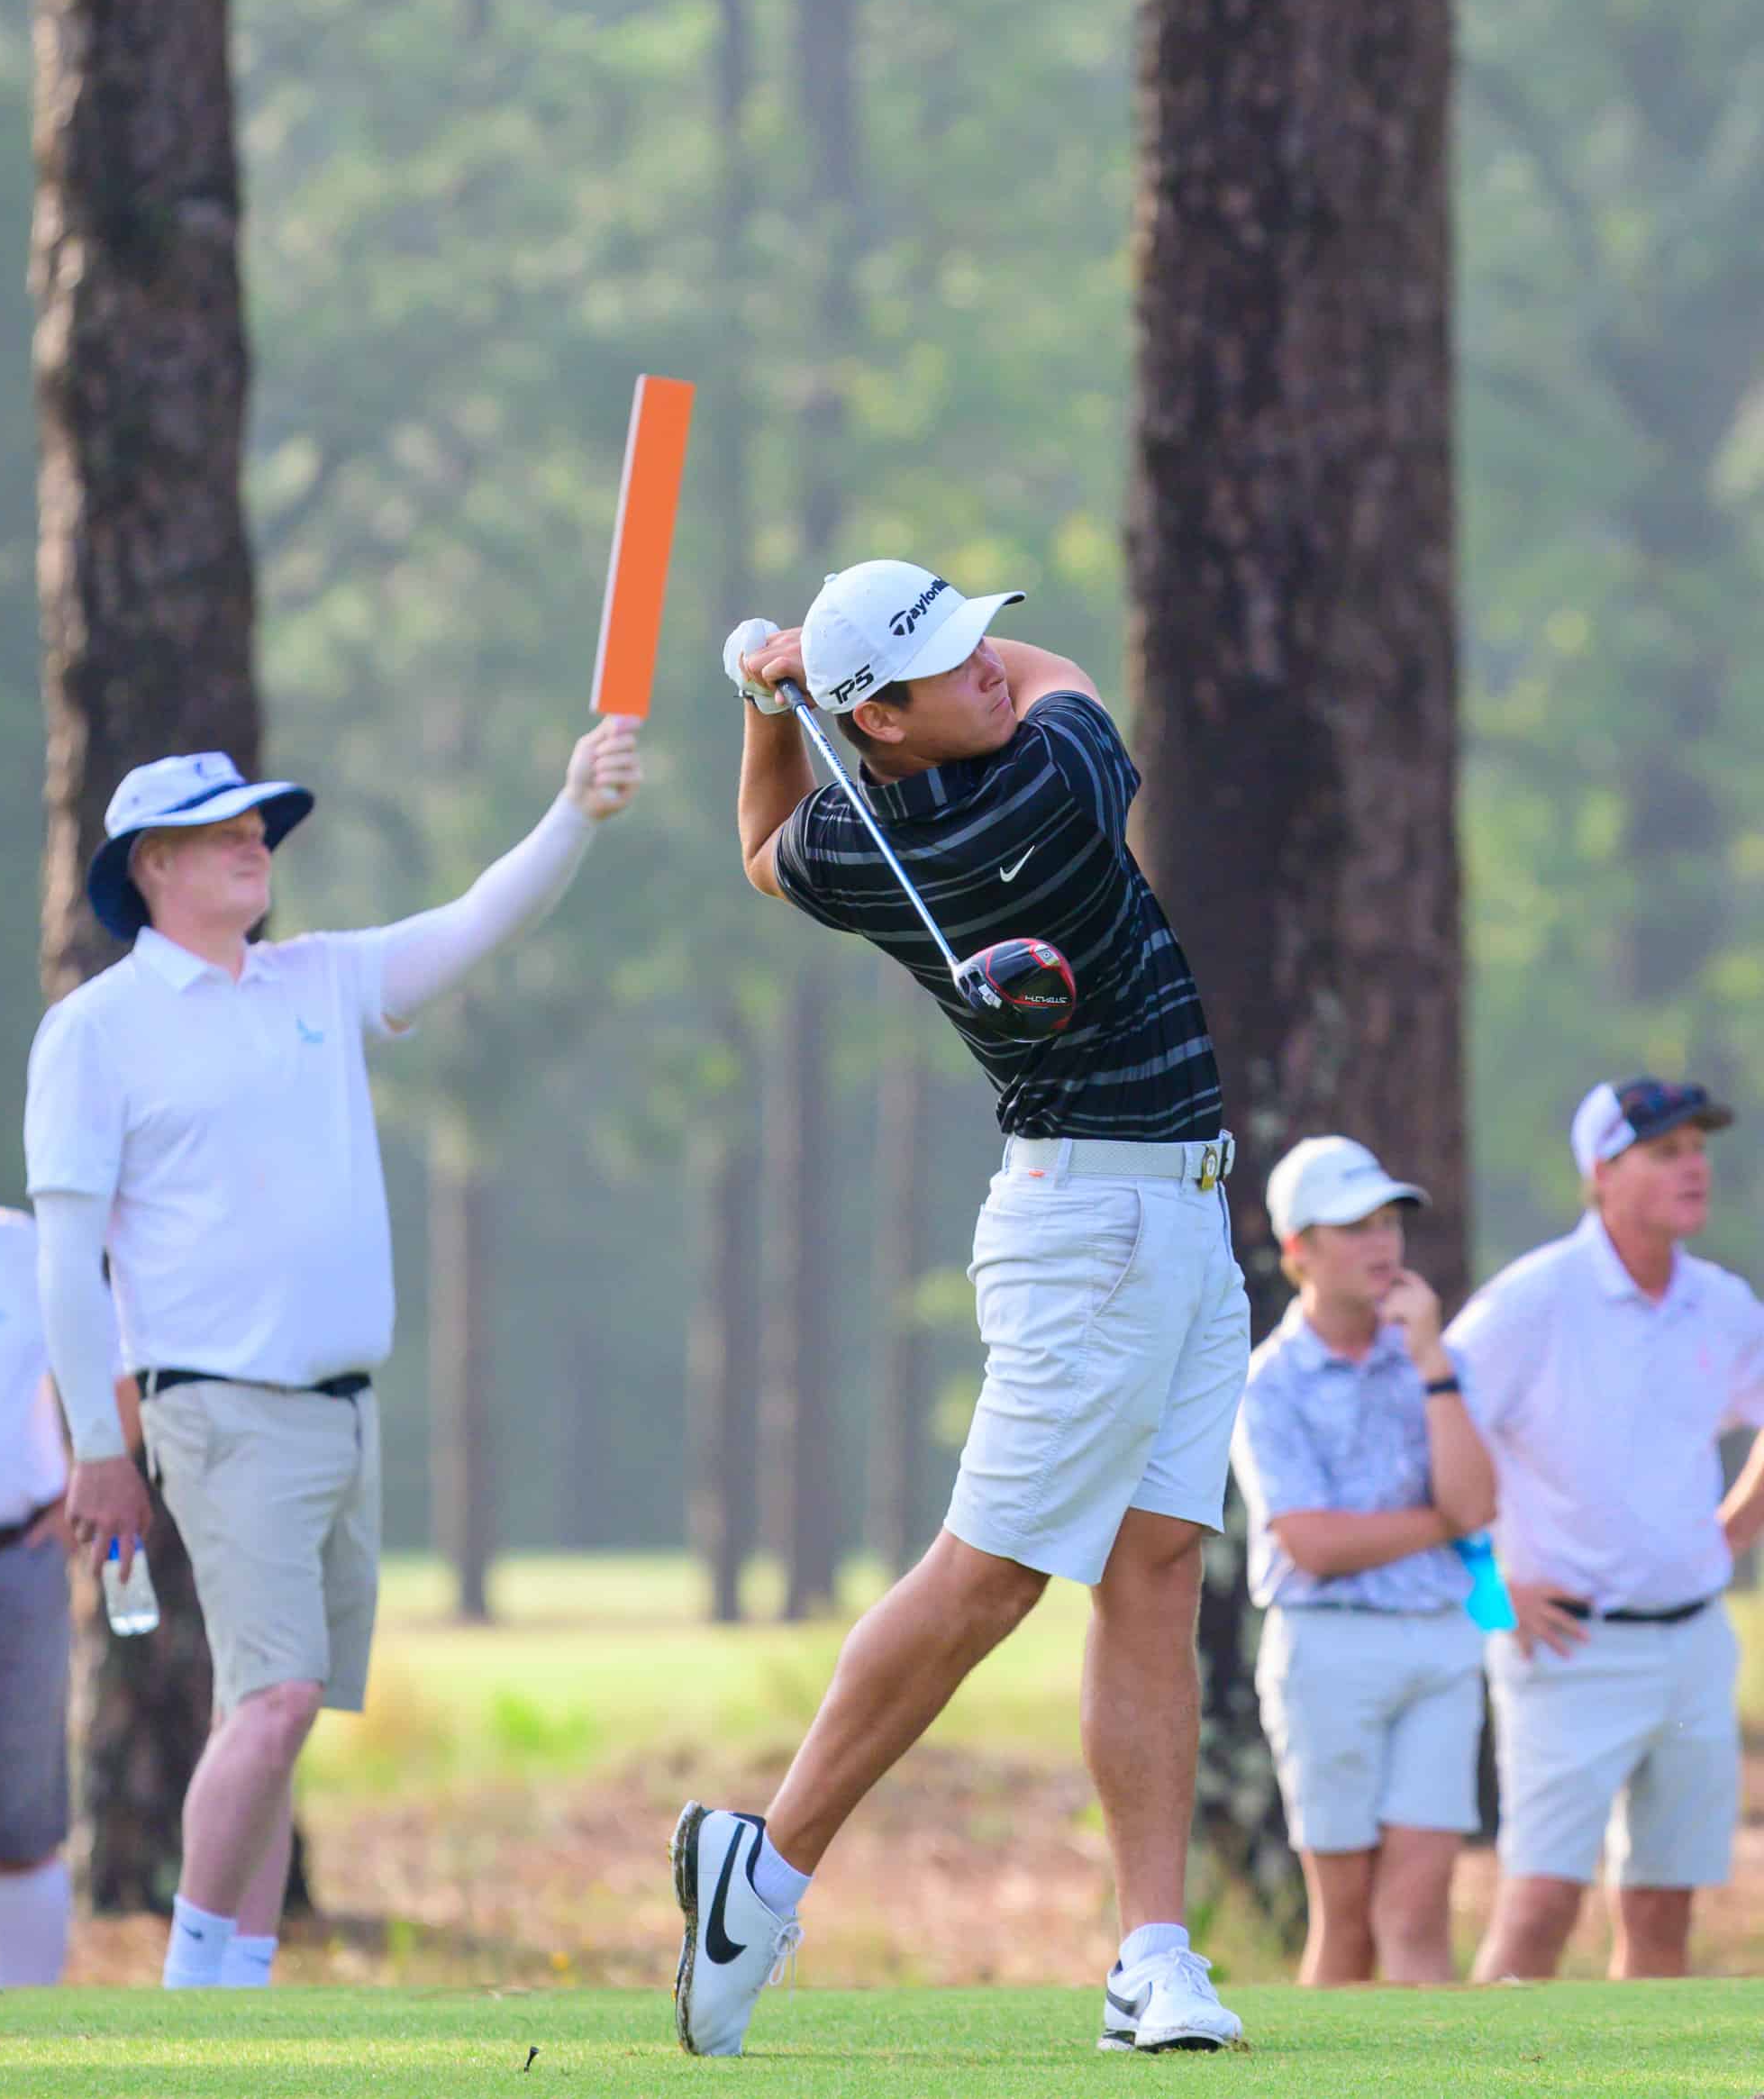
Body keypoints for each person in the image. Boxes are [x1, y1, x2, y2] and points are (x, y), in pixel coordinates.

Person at [675, 560, 1250, 2058]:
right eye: (952, 669)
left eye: (981, 639)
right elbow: (1073, 685)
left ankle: (1150, 1957)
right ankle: (769, 1866)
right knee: (985, 1581)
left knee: (1157, 1570)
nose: (994, 668)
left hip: (1168, 1210)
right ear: (884, 722)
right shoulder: (1050, 785)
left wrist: (762, 704)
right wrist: (798, 677)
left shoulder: (873, 852)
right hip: (1105, 1229)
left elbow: (754, 850)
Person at [26, 722, 641, 1989]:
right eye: (225, 829)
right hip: (217, 1406)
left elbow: (476, 922)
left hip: (340, 1411)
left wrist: (573, 808)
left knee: (268, 1709)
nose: (259, 841)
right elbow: (65, 1262)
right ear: (149, 865)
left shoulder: (316, 980)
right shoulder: (98, 1030)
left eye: (262, 824)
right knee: (279, 1701)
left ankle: (239, 1984)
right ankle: (195, 1988)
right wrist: (99, 1448)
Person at [1451, 1077, 1764, 1983]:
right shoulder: (1534, 1299)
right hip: (1564, 1647)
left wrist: (1734, 1525)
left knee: (1663, 1907)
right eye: (1665, 1152)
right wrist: (1483, 1591)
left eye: (1697, 1148)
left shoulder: (1715, 1299)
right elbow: (1426, 1436)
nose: (1693, 1167)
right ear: (1602, 1171)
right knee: (1539, 1904)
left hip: (1694, 1644)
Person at [1231, 1136, 1497, 1986]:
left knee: (1417, 1917)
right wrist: (1437, 1522)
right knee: (1346, 1926)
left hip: (1439, 1646)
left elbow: (1479, 1504)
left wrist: (1430, 1364)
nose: (1382, 1243)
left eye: (1388, 1223)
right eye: (1354, 1227)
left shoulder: (1434, 1358)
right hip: (1326, 1652)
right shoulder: (1270, 1381)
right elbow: (1312, 1545)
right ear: (1299, 1250)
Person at [0, 1072, 107, 1986]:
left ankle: (27, 2047)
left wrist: (79, 1493)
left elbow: (119, 1377)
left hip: (11, 1562)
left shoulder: (27, 1253)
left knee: (21, 1825)